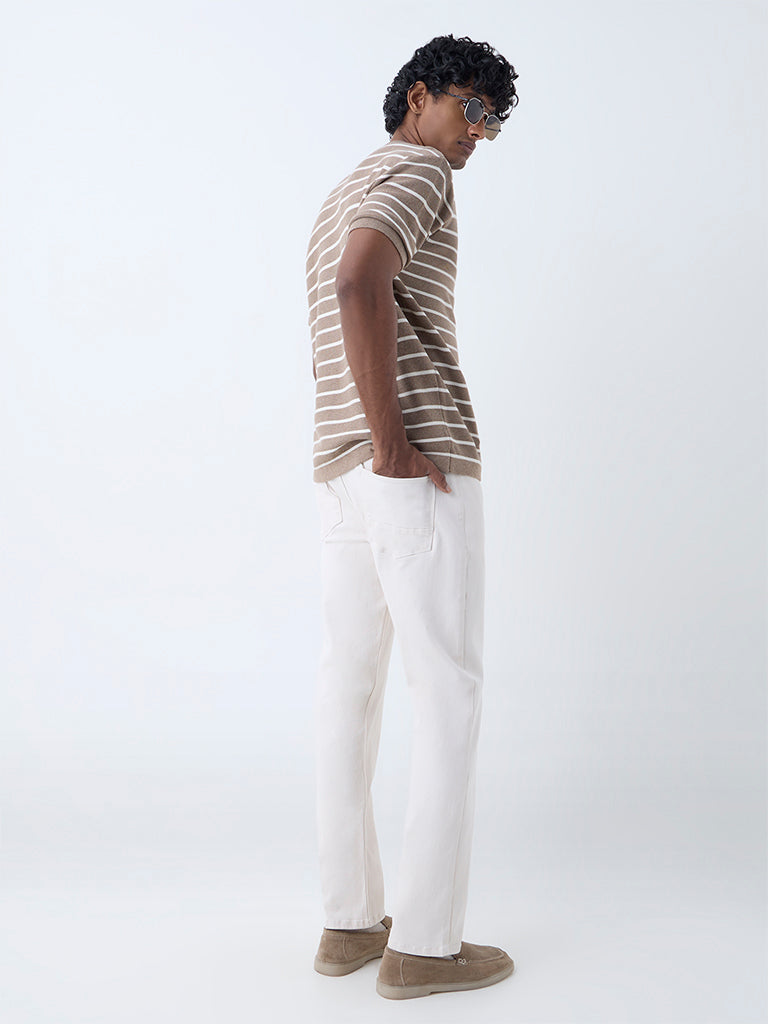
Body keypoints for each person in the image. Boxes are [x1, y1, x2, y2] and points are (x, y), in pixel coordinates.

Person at [306, 34, 519, 1000]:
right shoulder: (421, 172)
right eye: (471, 109)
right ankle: (426, 946)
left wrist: (366, 449)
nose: (479, 134)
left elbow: (344, 282)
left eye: (493, 121)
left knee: (348, 689)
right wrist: (396, 443)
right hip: (409, 463)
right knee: (448, 691)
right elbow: (361, 282)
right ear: (420, 98)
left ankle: (350, 923)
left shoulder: (342, 189)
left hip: (342, 470)